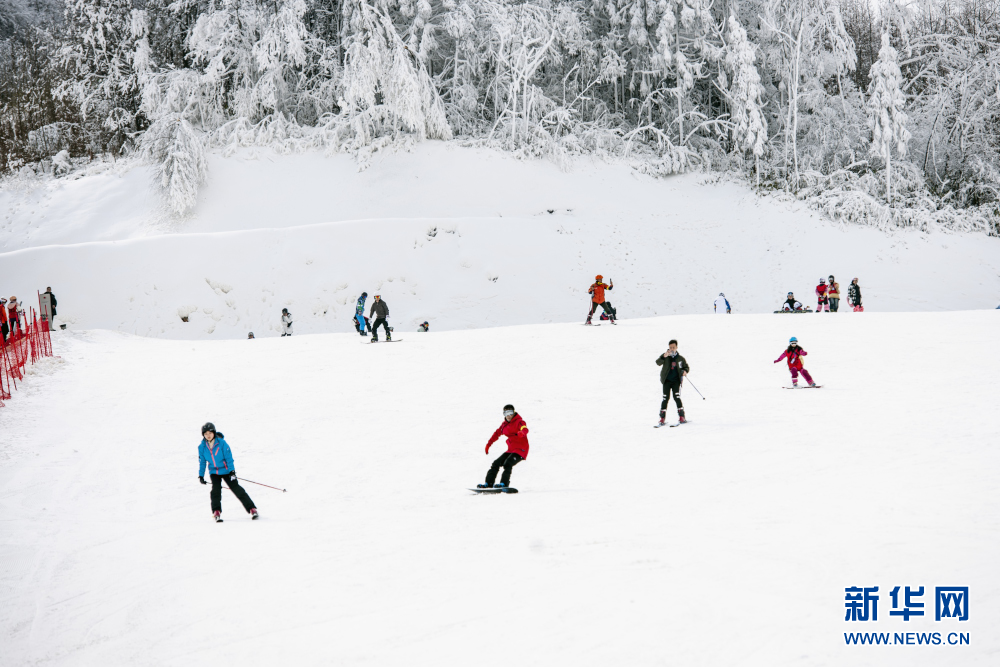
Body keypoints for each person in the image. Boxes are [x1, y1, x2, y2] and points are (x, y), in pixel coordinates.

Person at [197, 422, 259, 522]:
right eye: (206, 433)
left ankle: (252, 509)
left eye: (210, 433)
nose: (208, 435)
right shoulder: (202, 447)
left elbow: (229, 458)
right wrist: (201, 476)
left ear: (214, 433)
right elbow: (202, 462)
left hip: (226, 471)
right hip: (214, 472)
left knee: (237, 489)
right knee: (215, 491)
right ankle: (216, 511)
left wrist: (232, 472)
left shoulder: (222, 443)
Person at [478, 405, 529, 489]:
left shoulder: (519, 421)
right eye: (506, 413)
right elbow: (496, 434)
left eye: (510, 413)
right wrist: (488, 444)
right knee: (496, 463)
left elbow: (525, 429)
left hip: (521, 450)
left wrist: (522, 433)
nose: (508, 415)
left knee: (508, 463)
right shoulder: (504, 425)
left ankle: (503, 484)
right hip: (511, 450)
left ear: (514, 412)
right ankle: (489, 483)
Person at [656, 339, 689, 426]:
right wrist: (664, 356)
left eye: (673, 347)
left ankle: (682, 416)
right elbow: (658, 362)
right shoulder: (666, 356)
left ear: (676, 347)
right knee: (665, 398)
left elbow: (686, 367)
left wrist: (685, 371)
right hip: (666, 381)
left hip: (676, 381)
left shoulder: (680, 358)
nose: (672, 349)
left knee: (676, 396)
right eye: (670, 347)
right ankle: (662, 418)